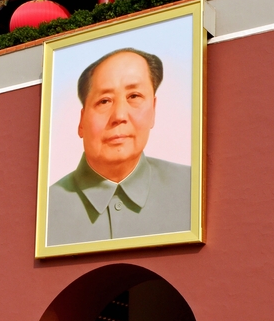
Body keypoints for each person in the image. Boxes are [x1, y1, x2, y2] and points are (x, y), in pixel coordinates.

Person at [47, 48, 191, 246]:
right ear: (81, 121)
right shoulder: (46, 209)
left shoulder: (191, 188)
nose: (119, 116)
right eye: (104, 101)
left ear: (153, 110)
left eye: (134, 96)